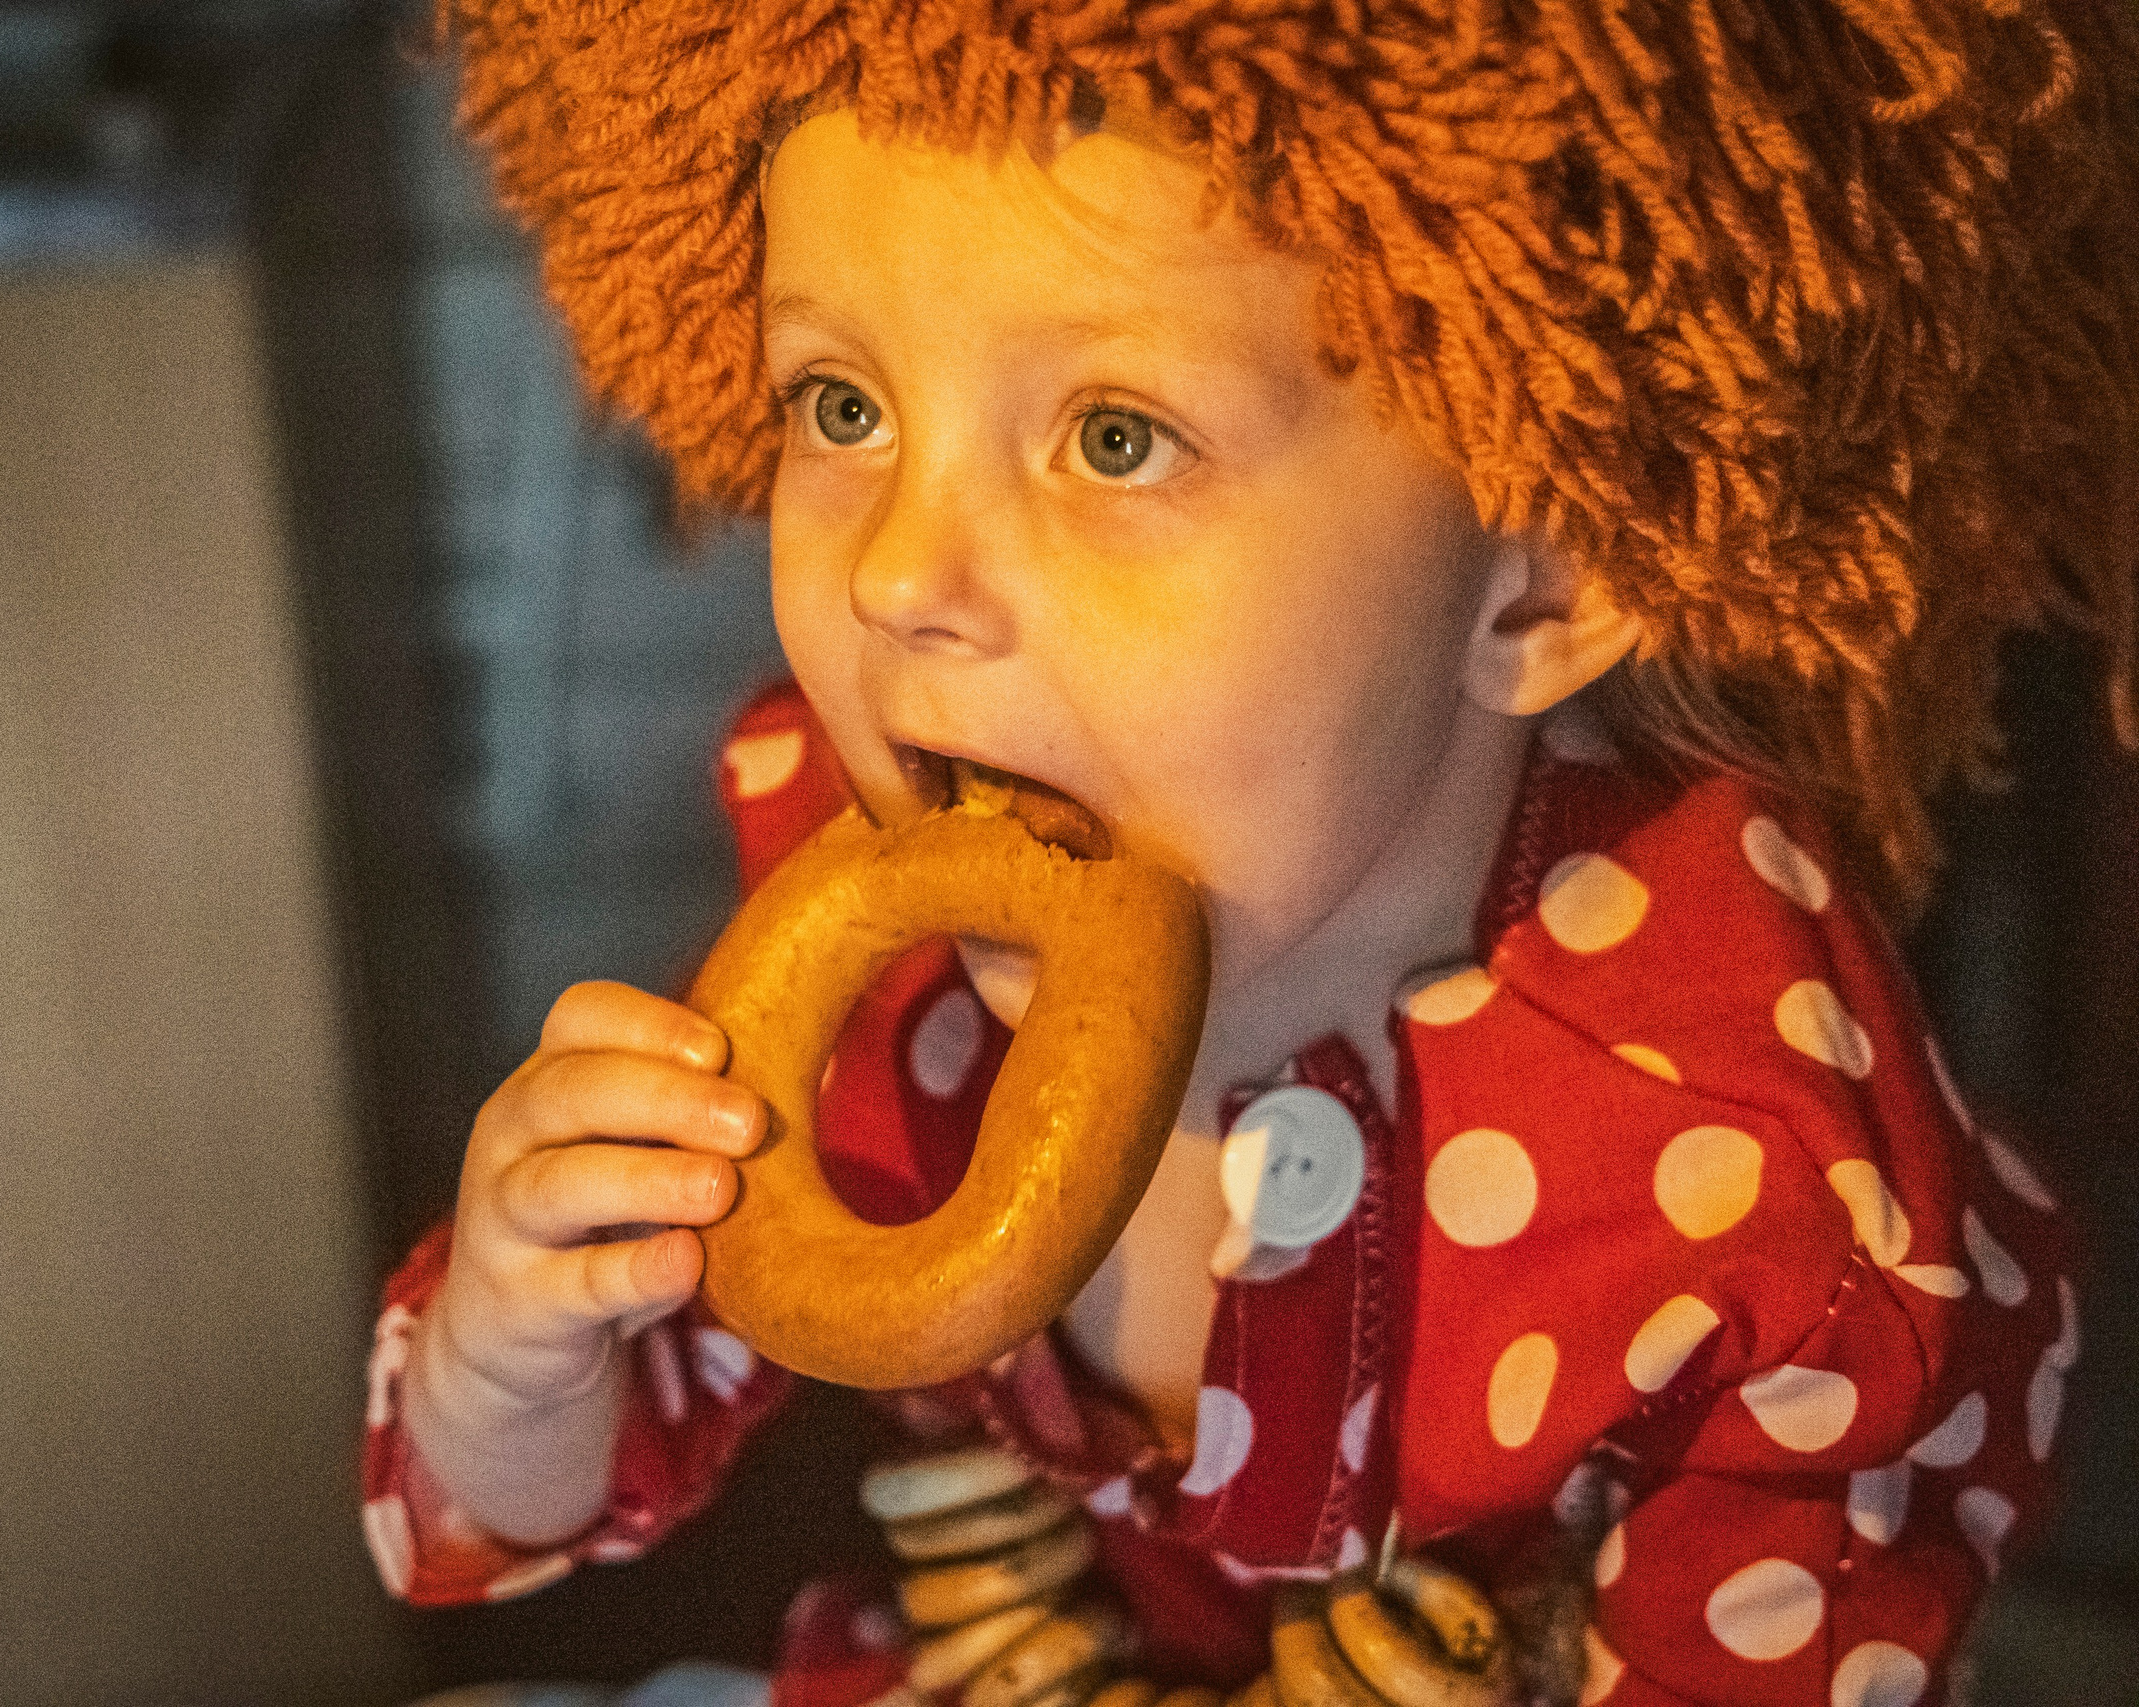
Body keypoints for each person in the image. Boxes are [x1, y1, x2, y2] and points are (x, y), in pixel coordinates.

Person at [361, 1, 2137, 1700]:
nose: (898, 577)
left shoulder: (1768, 1171)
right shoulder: (871, 934)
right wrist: (514, 1357)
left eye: (1115, 437)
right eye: (843, 408)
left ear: (1550, 573)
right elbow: (558, 1472)